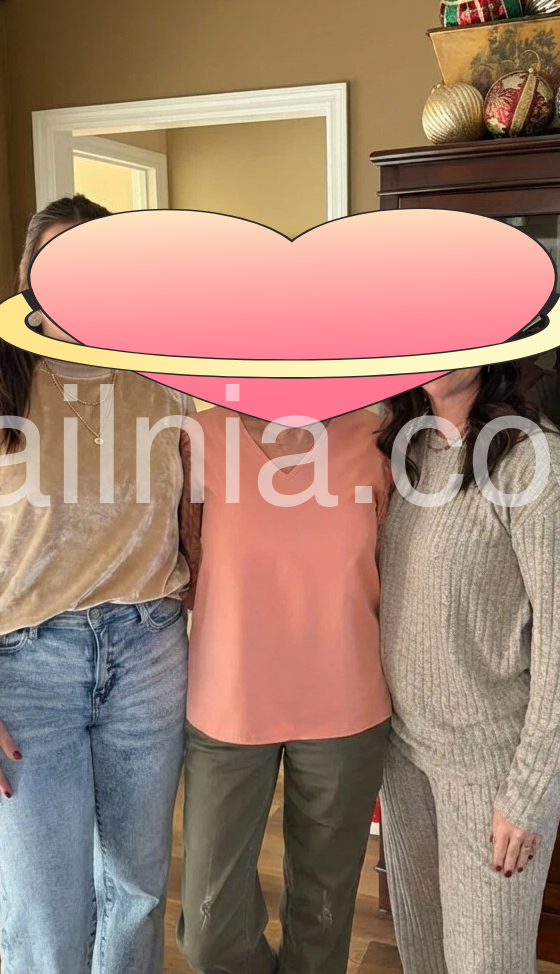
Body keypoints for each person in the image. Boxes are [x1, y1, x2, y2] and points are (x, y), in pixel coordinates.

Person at [0, 195, 191, 974]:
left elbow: (193, 515)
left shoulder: (163, 383)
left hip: (149, 655)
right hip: (25, 673)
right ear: (26, 276)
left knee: (137, 888)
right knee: (46, 905)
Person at [376, 365, 560, 974]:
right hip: (404, 760)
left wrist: (528, 795)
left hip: (490, 774)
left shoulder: (539, 467)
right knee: (423, 960)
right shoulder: (408, 450)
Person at [176, 404, 392, 974]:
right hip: (228, 706)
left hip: (346, 707)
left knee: (322, 925)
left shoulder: (377, 437)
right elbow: (184, 568)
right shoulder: (200, 439)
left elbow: (398, 568)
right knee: (208, 934)